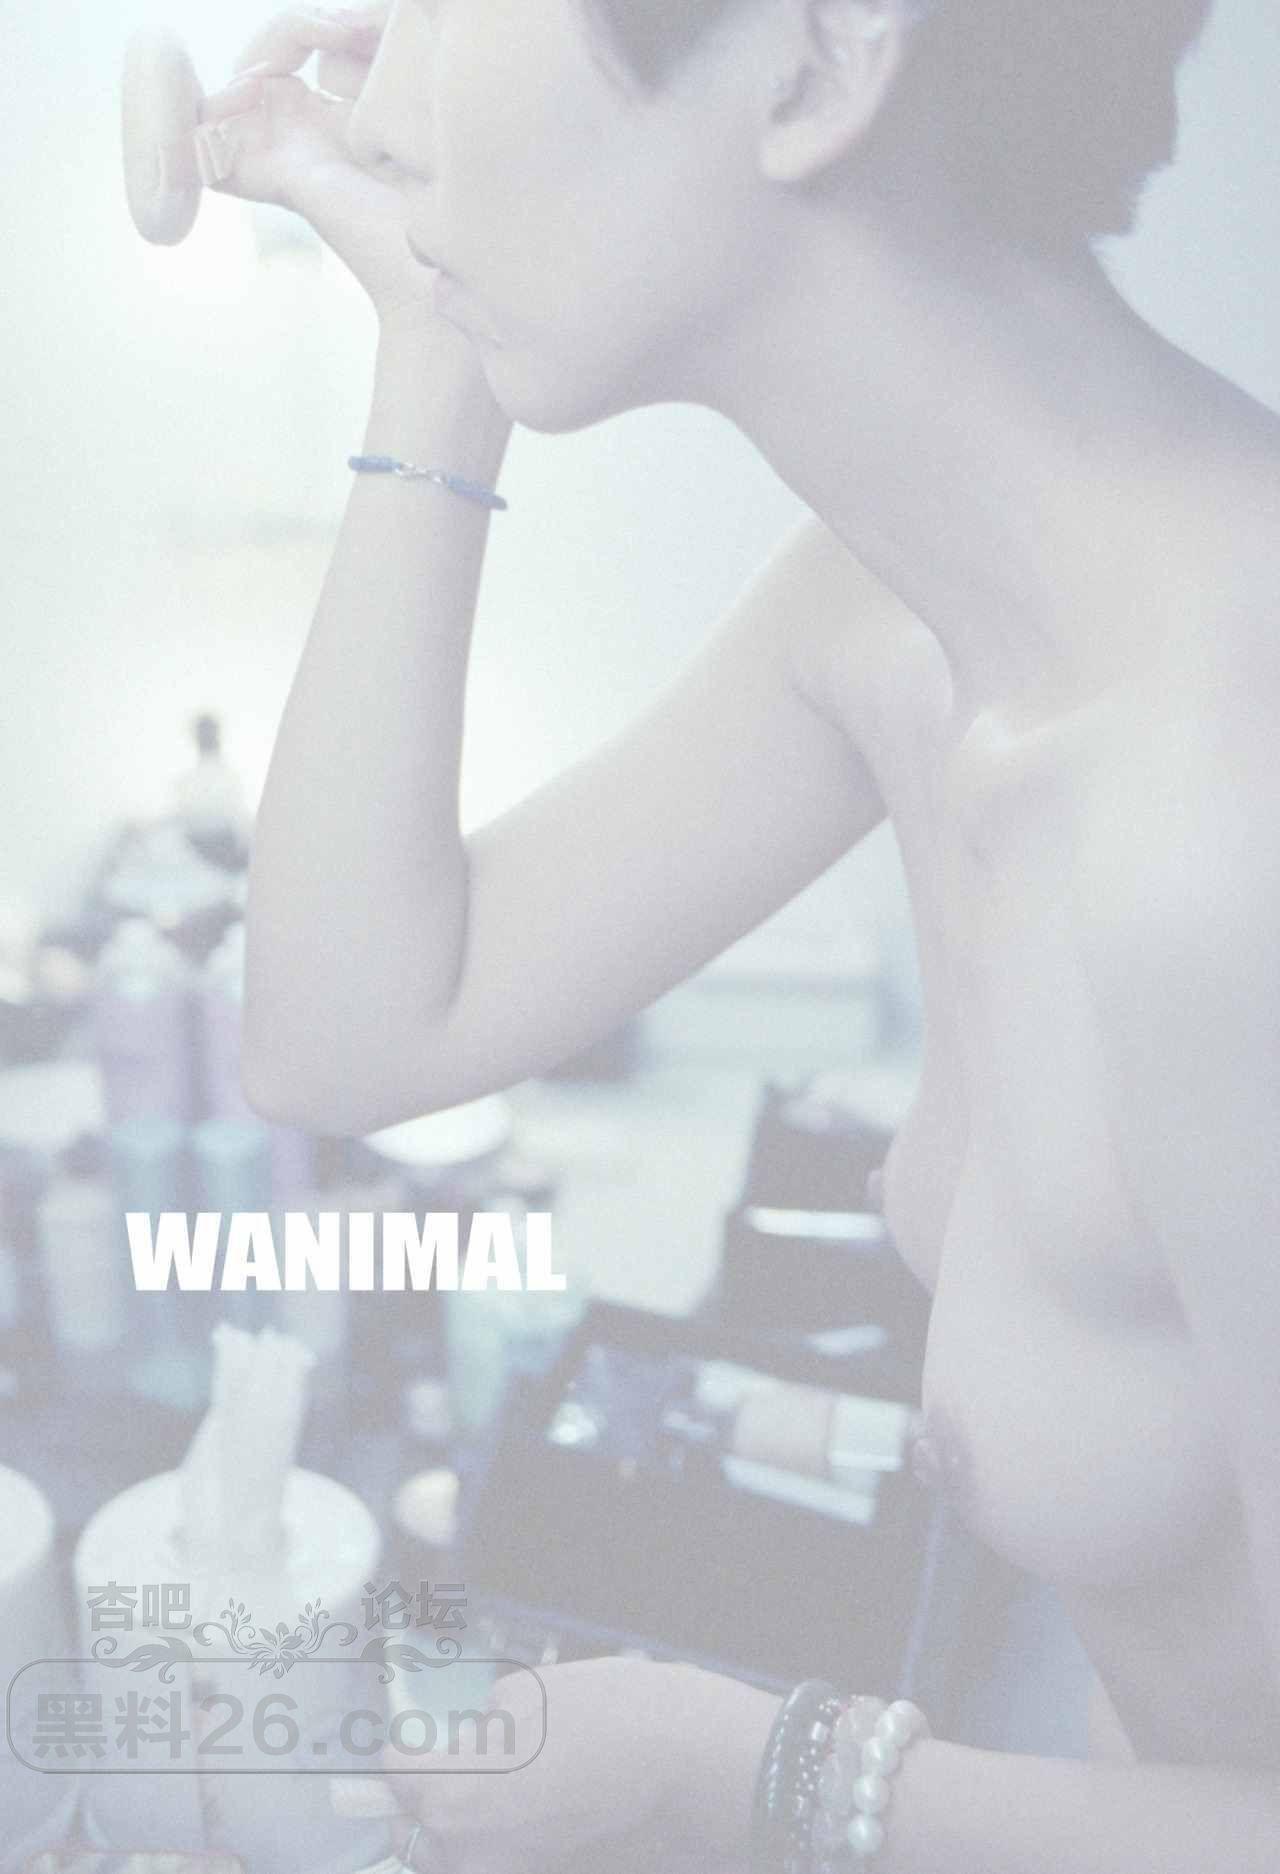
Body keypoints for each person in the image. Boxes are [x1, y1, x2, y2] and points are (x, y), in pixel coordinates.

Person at [193, 0, 1280, 1865]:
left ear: (820, 58)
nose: (373, 108)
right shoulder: (899, 612)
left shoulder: (1226, 831)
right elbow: (349, 1028)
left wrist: (759, 1771)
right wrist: (433, 344)